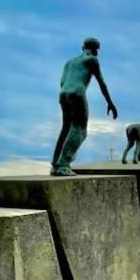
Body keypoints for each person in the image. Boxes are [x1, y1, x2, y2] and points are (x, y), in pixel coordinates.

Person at [51, 37, 118, 176]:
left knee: (66, 128)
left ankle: (55, 164)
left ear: (82, 48)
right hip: (77, 93)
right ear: (96, 50)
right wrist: (110, 103)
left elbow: (62, 82)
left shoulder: (69, 62)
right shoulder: (92, 60)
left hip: (63, 94)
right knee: (80, 130)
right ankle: (63, 164)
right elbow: (102, 83)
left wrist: (67, 94)